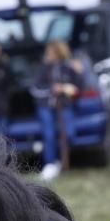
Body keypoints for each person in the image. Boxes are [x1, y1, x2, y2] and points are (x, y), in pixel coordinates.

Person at [32, 40, 84, 182]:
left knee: (69, 134)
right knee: (48, 133)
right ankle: (50, 163)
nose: (48, 54)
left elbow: (79, 86)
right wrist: (53, 90)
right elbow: (35, 89)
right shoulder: (43, 68)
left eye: (51, 52)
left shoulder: (69, 67)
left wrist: (79, 73)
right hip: (45, 106)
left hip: (65, 105)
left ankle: (61, 160)